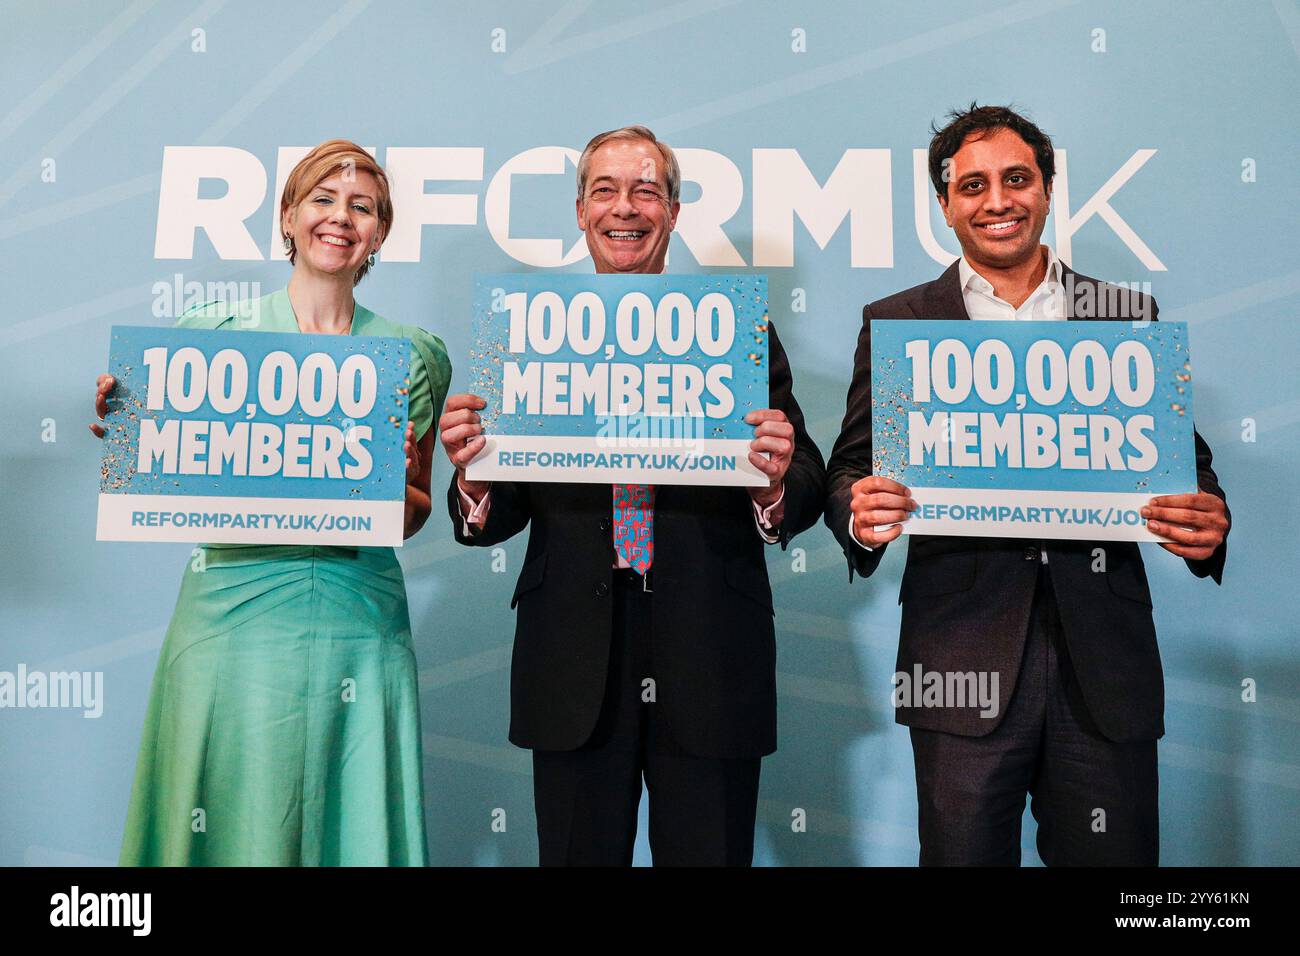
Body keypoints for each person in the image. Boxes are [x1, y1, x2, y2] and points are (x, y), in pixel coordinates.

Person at [824, 105, 1230, 866]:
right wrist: (858, 509)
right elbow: (850, 469)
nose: (997, 200)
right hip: (956, 663)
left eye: (1017, 179)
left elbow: (1186, 467)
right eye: (971, 185)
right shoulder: (898, 323)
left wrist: (1209, 521)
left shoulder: (1123, 316)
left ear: (1047, 189)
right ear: (944, 205)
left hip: (1105, 668)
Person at [438, 126, 826, 866]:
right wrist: (477, 479)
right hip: (574, 655)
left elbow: (802, 477)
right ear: (580, 211)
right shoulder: (526, 335)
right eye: (607, 191)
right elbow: (498, 515)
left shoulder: (738, 332)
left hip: (711, 644)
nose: (627, 207)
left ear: (674, 211)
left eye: (647, 190)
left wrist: (774, 484)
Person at [94, 139, 451, 865]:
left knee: (345, 811)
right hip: (228, 616)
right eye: (322, 199)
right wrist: (126, 418)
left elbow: (411, 514)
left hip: (357, 615)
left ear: (379, 232)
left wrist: (403, 483)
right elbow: (158, 461)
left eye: (362, 207)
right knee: (224, 813)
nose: (340, 218)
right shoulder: (209, 338)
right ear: (288, 217)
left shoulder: (412, 356)